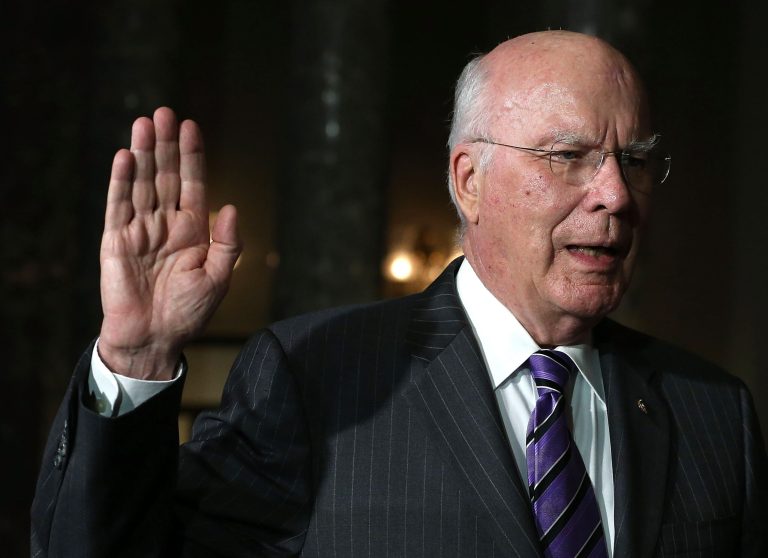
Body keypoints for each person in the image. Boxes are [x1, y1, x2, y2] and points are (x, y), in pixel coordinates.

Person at [31, 30, 766, 558]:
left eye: (633, 160)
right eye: (569, 157)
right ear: (469, 181)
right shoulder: (316, 378)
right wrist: (137, 355)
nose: (615, 194)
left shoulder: (712, 410)